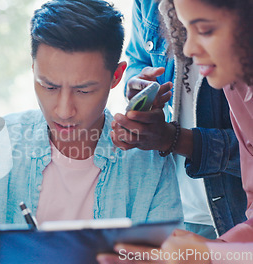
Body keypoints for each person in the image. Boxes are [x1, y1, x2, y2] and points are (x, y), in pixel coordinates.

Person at [0, 0, 183, 263]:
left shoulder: (147, 160)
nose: (64, 111)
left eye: (83, 91)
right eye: (49, 86)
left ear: (116, 76)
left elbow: (173, 254)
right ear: (33, 68)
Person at [98, 0, 253, 263]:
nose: (188, 49)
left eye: (204, 30)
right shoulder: (237, 88)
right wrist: (214, 252)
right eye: (182, 30)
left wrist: (213, 254)